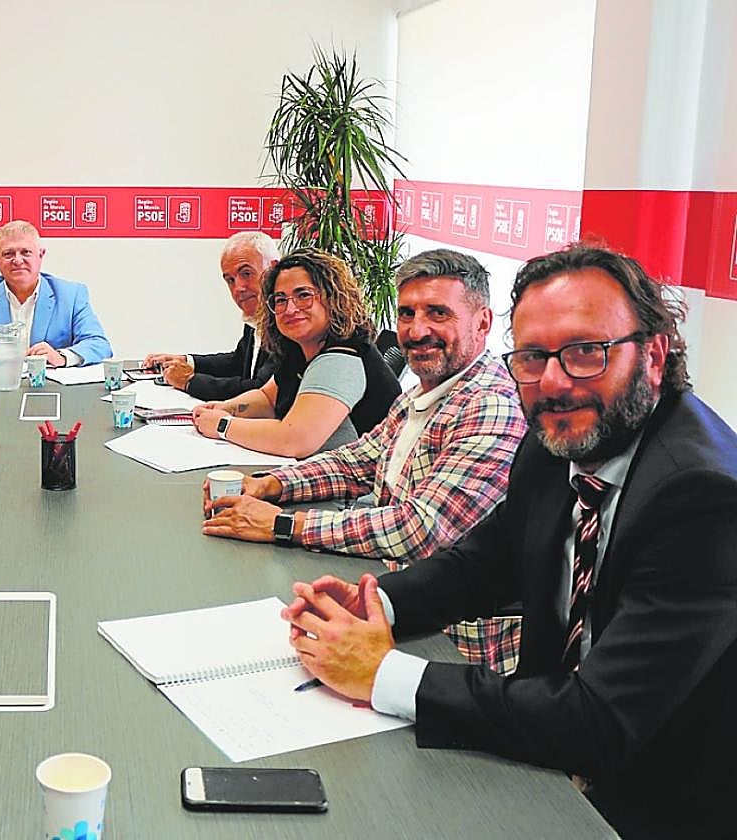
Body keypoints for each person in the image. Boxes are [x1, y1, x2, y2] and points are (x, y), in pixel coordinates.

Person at [282, 245, 737, 838]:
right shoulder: (560, 439)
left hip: (644, 802)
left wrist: (384, 676)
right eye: (531, 356)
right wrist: (374, 603)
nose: (552, 381)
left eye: (584, 352)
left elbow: (598, 719)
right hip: (543, 763)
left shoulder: (702, 497)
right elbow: (486, 562)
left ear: (653, 355)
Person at [202, 249, 527, 672]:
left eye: (438, 313)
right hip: (392, 597)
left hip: (452, 647)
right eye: (407, 314)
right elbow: (358, 461)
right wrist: (270, 484)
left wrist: (282, 524)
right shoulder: (425, 394)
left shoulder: (488, 406)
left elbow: (419, 530)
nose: (416, 329)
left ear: (483, 321)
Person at [191, 249, 399, 459]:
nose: (290, 309)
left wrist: (222, 425)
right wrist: (225, 407)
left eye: (303, 296)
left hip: (356, 488)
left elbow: (295, 440)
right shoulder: (302, 348)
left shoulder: (342, 357)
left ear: (333, 297)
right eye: (280, 300)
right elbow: (268, 399)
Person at [0, 220, 112, 367]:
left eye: (26, 252)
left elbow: (99, 344)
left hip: (51, 391)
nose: (17, 260)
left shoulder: (71, 295)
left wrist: (61, 357)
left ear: (40, 255)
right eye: (8, 254)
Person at [143, 231, 280, 400]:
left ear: (273, 268)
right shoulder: (257, 316)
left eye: (246, 274)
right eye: (230, 280)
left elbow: (260, 391)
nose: (238, 288)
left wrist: (189, 381)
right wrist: (186, 361)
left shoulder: (288, 322)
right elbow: (237, 362)